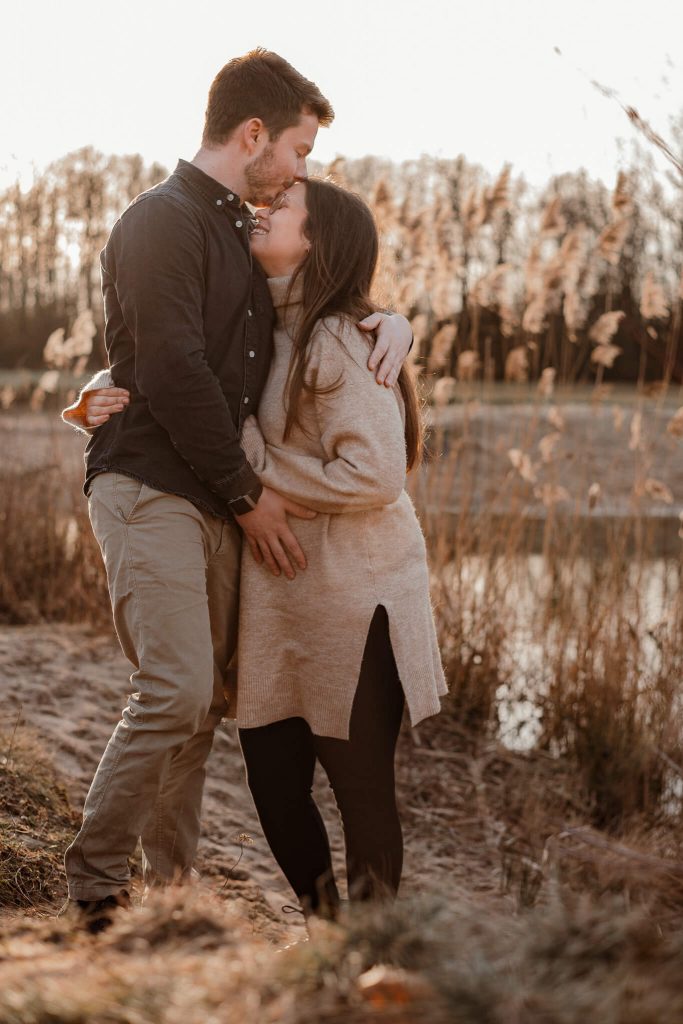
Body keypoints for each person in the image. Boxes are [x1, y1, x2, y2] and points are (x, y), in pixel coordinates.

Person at [61, 49, 413, 933]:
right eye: (297, 150)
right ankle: (95, 885)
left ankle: (173, 895)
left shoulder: (243, 240)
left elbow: (309, 302)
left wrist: (391, 320)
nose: (299, 171)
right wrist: (249, 495)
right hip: (153, 484)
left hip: (214, 498)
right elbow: (172, 365)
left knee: (199, 711)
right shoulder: (162, 219)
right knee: (175, 691)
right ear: (253, 134)